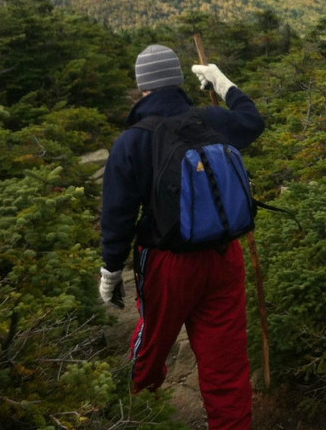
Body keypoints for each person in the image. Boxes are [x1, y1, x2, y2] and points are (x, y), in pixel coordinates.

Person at [98, 44, 265, 430]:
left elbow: (118, 215)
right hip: (225, 255)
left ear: (143, 88)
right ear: (177, 80)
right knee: (226, 363)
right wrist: (223, 84)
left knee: (152, 345)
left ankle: (136, 414)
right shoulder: (211, 120)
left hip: (167, 263)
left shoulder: (133, 141)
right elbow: (252, 121)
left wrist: (111, 271)